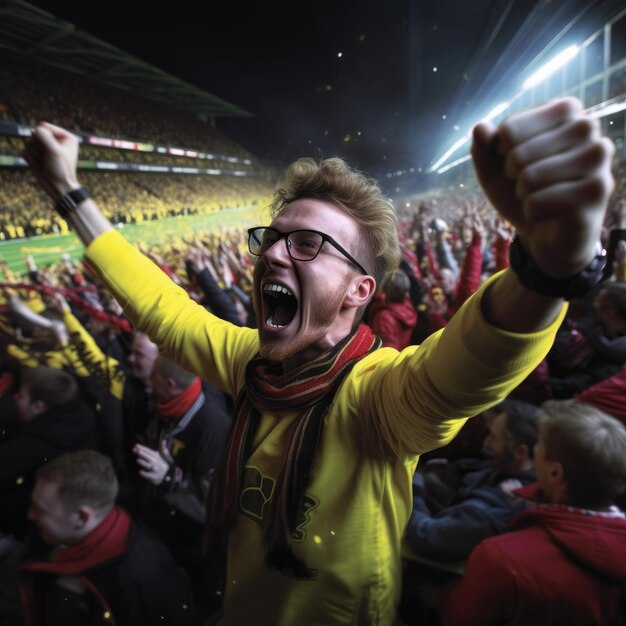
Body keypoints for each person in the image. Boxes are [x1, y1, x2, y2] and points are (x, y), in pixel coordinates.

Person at [23, 96, 614, 625]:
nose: (274, 253)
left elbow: (466, 368)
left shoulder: (377, 398)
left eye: (308, 245)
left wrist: (546, 272)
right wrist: (69, 193)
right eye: (274, 238)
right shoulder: (254, 362)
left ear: (360, 291)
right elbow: (163, 309)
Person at [440, 400, 626, 626]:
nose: (533, 448)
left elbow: (457, 617)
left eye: (539, 445)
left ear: (555, 473)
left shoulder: (500, 559)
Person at [18, 450, 193, 626]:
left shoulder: (139, 581)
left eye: (40, 509)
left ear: (82, 518)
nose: (30, 515)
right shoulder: (103, 528)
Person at [405, 399, 539, 562]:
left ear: (520, 452)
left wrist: (413, 488)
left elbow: (424, 535)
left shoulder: (485, 515)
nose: (486, 443)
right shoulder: (507, 466)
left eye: (493, 437)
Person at [0, 366, 95, 540]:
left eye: (21, 395)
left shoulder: (34, 444)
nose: (14, 397)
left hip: (22, 527)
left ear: (38, 406)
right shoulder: (80, 416)